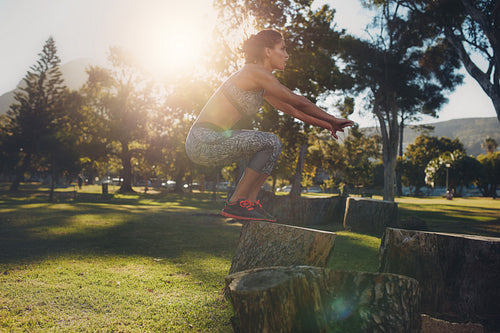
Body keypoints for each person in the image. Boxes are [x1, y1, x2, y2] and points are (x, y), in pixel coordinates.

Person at [185, 29, 353, 222]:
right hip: (203, 140)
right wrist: (333, 118)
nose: (287, 55)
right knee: (270, 141)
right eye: (282, 49)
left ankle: (249, 203)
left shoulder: (261, 82)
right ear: (267, 51)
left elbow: (294, 110)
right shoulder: (253, 72)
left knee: (273, 147)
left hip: (214, 140)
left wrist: (327, 125)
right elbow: (297, 101)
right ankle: (235, 203)